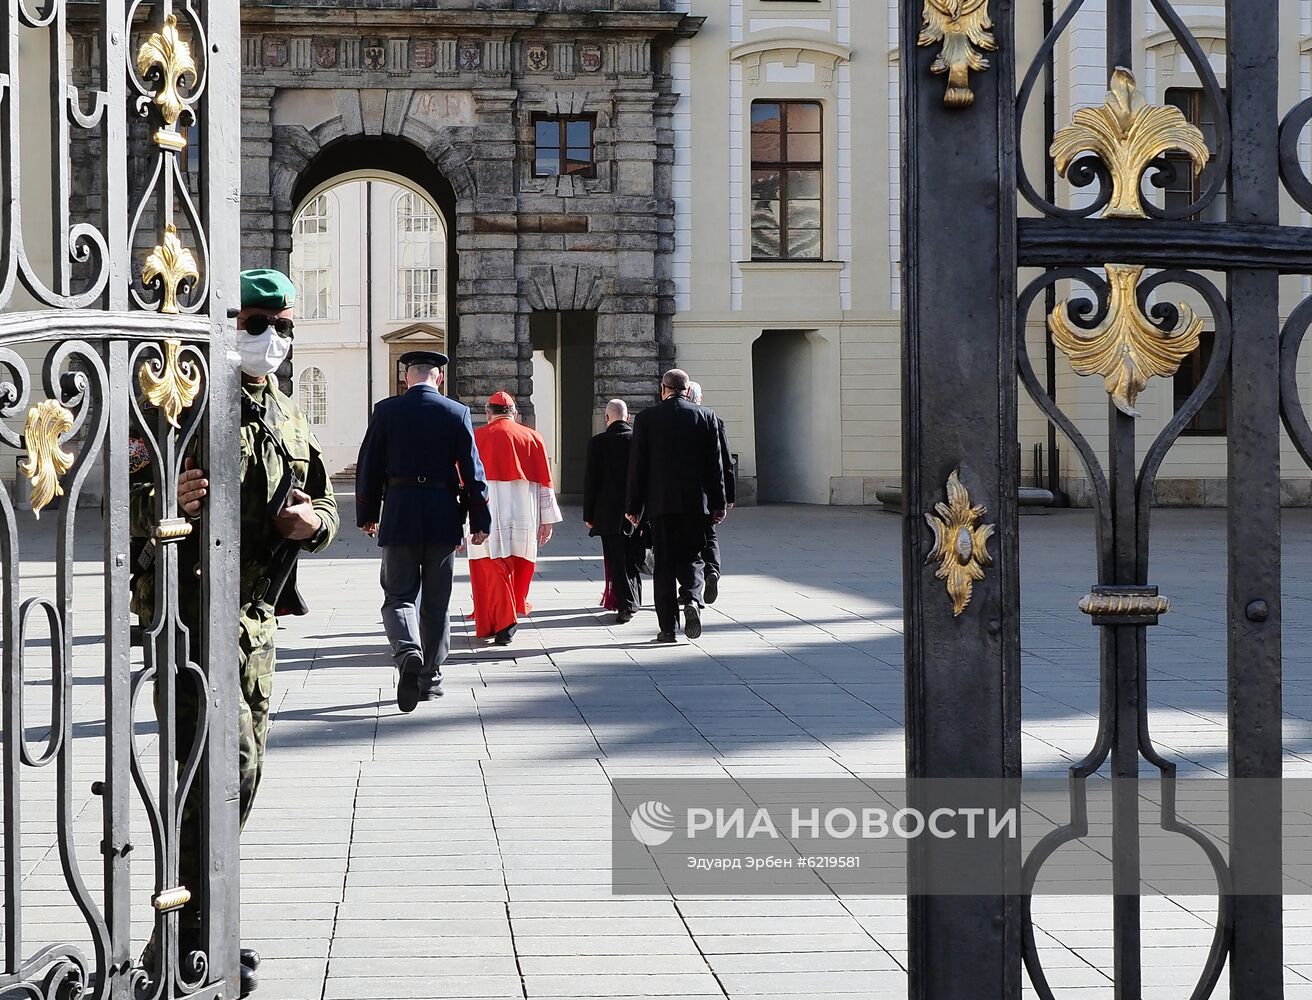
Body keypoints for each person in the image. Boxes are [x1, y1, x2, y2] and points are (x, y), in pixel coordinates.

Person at [131, 268, 339, 997]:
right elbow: (125, 503)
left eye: (282, 327)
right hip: (190, 617)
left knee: (240, 776)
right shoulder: (184, 406)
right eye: (255, 323)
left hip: (254, 627)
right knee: (197, 778)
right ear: (224, 325)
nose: (271, 339)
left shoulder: (286, 412)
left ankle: (198, 925)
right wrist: (166, 495)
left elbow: (325, 499)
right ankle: (186, 934)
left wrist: (312, 524)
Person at [354, 351, 491, 712]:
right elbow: (473, 472)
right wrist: (480, 520)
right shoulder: (456, 412)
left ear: (406, 378)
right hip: (443, 515)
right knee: (436, 602)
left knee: (398, 596)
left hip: (400, 512)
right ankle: (430, 678)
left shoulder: (386, 412)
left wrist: (367, 513)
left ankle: (407, 651)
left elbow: (368, 466)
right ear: (439, 378)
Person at [625, 369, 725, 643]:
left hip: (661, 505)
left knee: (664, 565)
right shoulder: (707, 416)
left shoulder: (647, 419)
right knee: (693, 557)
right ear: (686, 389)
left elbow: (638, 467)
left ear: (664, 388)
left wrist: (634, 505)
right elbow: (715, 466)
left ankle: (668, 628)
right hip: (696, 504)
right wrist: (718, 503)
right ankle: (692, 599)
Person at [466, 390, 563, 645]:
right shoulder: (533, 437)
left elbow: (464, 482)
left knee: (490, 566)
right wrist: (547, 520)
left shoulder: (477, 438)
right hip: (524, 513)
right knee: (517, 564)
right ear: (515, 413)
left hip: (487, 512)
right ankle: (507, 616)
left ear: (489, 414)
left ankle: (502, 621)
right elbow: (545, 483)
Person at [584, 399, 641, 624]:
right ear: (628, 417)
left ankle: (626, 605)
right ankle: (634, 598)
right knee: (633, 557)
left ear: (606, 418)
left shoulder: (597, 443)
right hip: (636, 510)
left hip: (607, 512)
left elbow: (591, 483)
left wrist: (589, 514)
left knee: (616, 560)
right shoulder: (638, 441)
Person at [686, 381, 735, 604]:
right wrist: (727, 497)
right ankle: (712, 571)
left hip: (684, 494)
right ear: (699, 398)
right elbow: (725, 460)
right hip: (708, 493)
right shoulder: (715, 420)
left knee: (687, 544)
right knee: (710, 534)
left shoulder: (678, 421)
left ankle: (688, 590)